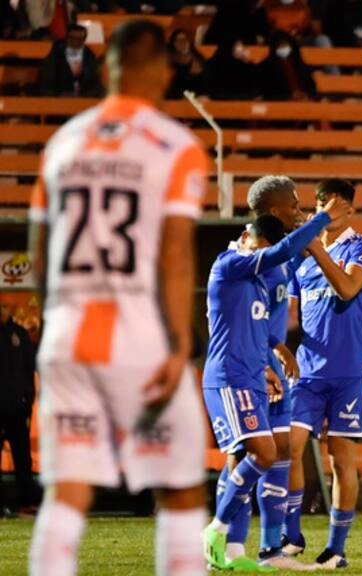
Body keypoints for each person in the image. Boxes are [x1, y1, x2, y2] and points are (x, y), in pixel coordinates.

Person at [28, 19, 210, 576]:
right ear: (161, 68)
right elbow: (175, 253)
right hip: (138, 341)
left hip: (66, 337)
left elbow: (39, 247)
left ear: (106, 65)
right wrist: (179, 344)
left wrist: (53, 317)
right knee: (179, 491)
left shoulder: (63, 142)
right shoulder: (176, 145)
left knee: (66, 494)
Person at [201, 201, 348, 571]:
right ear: (247, 238)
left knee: (265, 454)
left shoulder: (256, 282)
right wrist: (323, 218)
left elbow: (258, 331)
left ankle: (235, 551)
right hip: (229, 379)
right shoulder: (229, 265)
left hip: (252, 378)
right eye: (263, 249)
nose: (268, 258)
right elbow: (282, 251)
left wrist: (273, 358)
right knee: (262, 455)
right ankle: (216, 529)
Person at [283, 178, 362, 569]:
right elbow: (288, 315)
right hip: (307, 369)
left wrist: (316, 247)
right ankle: (292, 535)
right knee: (287, 448)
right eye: (321, 202)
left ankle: (337, 548)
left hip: (351, 369)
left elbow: (346, 288)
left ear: (349, 209)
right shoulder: (301, 257)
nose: (325, 208)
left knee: (341, 458)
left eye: (334, 203)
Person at [245, 175, 307, 568]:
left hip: (276, 364)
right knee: (246, 456)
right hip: (251, 369)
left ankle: (272, 548)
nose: (300, 210)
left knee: (281, 451)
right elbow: (248, 323)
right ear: (272, 212)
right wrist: (269, 360)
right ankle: (227, 542)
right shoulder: (245, 256)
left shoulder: (283, 255)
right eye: (294, 205)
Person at [0, 297, 37, 514]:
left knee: (22, 458)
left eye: (3, 307)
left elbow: (28, 371)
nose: (1, 311)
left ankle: (27, 502)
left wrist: (28, 401)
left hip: (16, 408)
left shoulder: (20, 335)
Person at [38, 24, 104, 97]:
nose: (76, 42)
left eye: (80, 39)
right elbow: (47, 81)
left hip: (84, 98)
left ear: (84, 39)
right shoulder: (55, 55)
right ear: (67, 38)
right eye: (72, 38)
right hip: (59, 98)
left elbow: (95, 82)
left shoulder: (89, 56)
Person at [255, 31, 317, 101]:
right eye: (279, 45)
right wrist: (289, 97)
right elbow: (267, 93)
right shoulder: (266, 66)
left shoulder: (299, 63)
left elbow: (312, 87)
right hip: (281, 104)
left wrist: (306, 95)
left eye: (285, 44)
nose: (282, 47)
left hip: (304, 103)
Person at [166, 29, 207, 100]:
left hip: (198, 99)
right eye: (178, 41)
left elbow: (206, 84)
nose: (182, 43)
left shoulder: (198, 60)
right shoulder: (168, 62)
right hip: (175, 101)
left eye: (185, 40)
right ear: (173, 43)